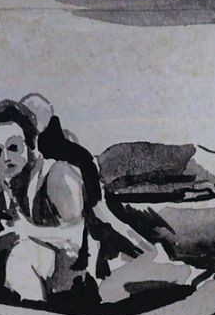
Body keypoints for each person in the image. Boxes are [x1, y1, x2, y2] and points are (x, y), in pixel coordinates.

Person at [15, 92, 161, 269]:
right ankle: (145, 253)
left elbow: (77, 166)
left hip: (86, 189)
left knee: (110, 225)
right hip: (88, 186)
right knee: (114, 226)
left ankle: (145, 254)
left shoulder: (52, 151)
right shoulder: (59, 141)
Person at [0, 99, 91, 304]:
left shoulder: (58, 175)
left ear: (30, 144)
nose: (5, 158)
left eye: (13, 147)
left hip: (78, 273)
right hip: (44, 268)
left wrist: (26, 231)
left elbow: (76, 239)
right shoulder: (4, 184)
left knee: (21, 256)